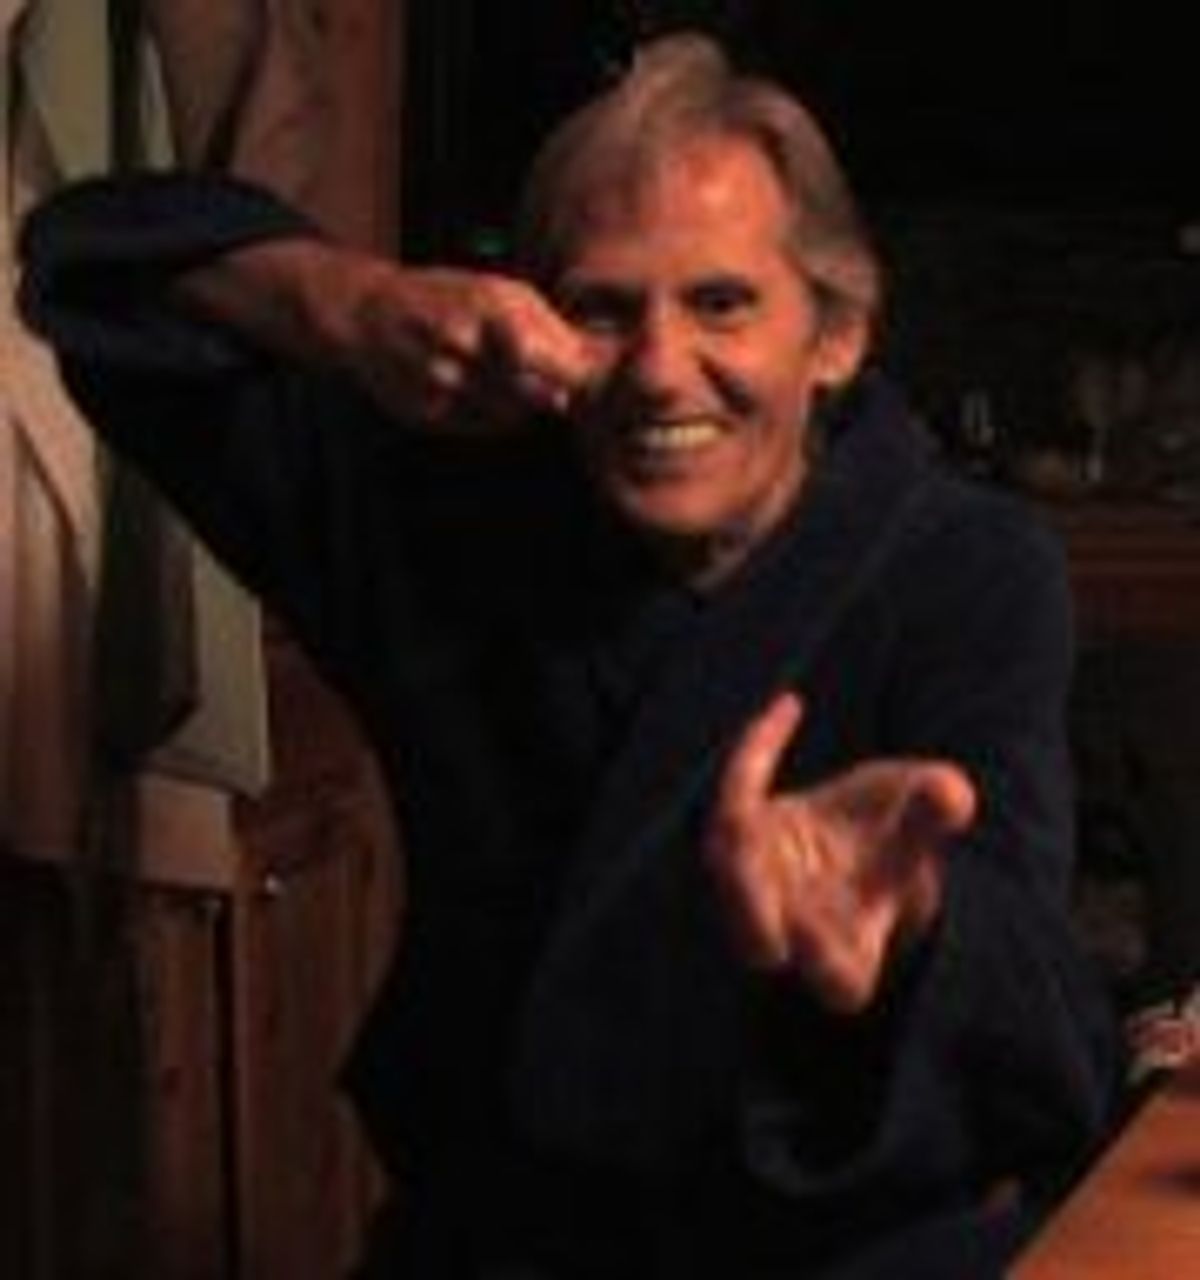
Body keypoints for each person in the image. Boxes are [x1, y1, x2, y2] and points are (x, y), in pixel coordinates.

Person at [19, 31, 1118, 1279]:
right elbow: (91, 264)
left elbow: (1042, 1013)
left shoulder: (966, 567)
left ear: (838, 333)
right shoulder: (445, 524)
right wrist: (354, 304)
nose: (658, 371)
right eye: (603, 308)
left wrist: (914, 916)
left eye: (721, 303)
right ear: (533, 321)